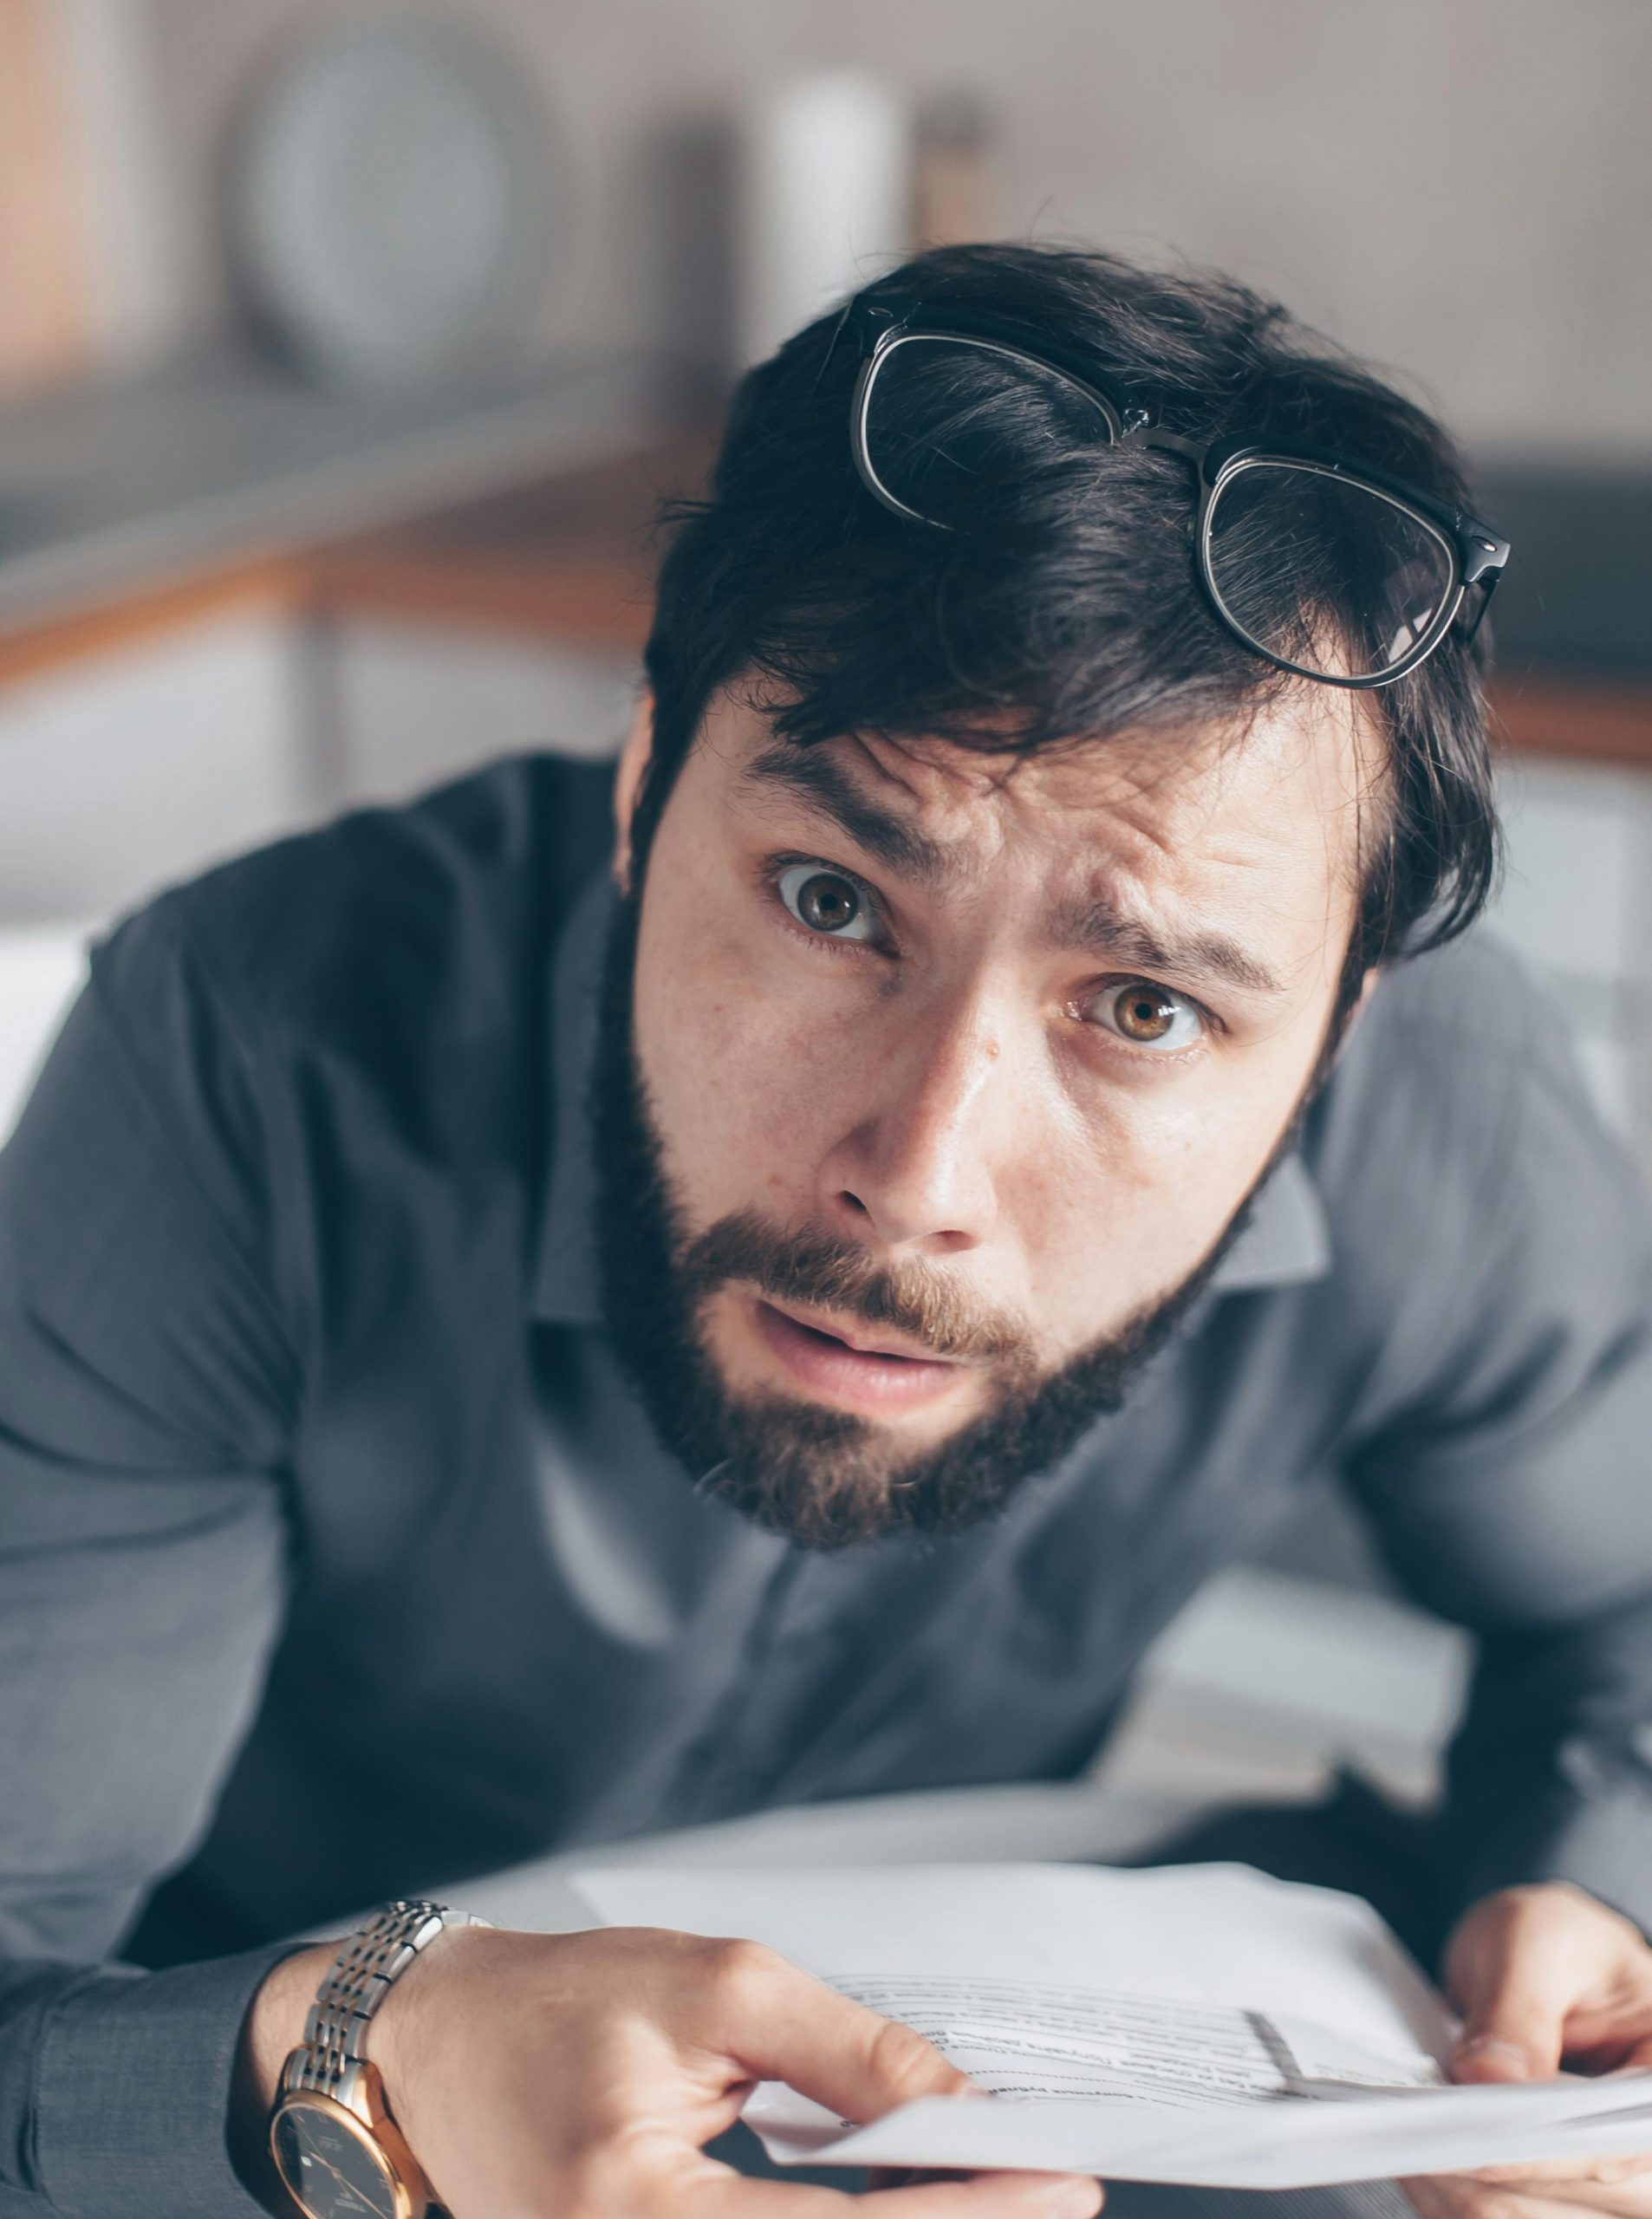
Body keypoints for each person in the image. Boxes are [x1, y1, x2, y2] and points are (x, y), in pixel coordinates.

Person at [4, 241, 1652, 2219]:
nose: (916, 1178)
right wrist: (353, 2055)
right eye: (824, 898)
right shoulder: (245, 1052)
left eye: (1140, 1009)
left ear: (1332, 1032)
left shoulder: (1446, 1118)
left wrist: (1587, 1887)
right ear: (641, 796)